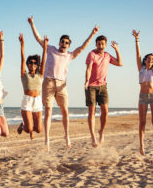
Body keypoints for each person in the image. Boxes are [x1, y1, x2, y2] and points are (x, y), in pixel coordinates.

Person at [28, 15, 99, 150]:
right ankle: (47, 140)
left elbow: (83, 47)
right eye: (62, 41)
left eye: (66, 42)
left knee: (65, 111)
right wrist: (32, 24)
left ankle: (66, 136)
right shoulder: (51, 49)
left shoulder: (70, 55)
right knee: (48, 111)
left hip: (62, 85)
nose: (64, 44)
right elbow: (38, 39)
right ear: (59, 42)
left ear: (69, 45)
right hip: (48, 82)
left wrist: (93, 33)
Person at [85, 35, 123, 147]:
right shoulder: (91, 54)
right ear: (96, 44)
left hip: (103, 86)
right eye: (99, 44)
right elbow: (89, 68)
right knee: (91, 111)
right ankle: (93, 137)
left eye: (102, 44)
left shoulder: (107, 56)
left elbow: (120, 63)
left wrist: (117, 50)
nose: (100, 46)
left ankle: (101, 132)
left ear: (105, 45)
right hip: (91, 86)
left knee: (105, 111)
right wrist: (87, 81)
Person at [132, 30, 153, 155]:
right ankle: (141, 146)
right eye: (148, 59)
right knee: (142, 122)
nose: (150, 60)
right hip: (142, 97)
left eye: (152, 59)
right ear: (145, 60)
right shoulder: (141, 69)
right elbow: (138, 54)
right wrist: (137, 39)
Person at [17, 33, 48, 139]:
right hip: (27, 101)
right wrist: (22, 45)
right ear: (27, 64)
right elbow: (22, 59)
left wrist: (45, 47)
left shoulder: (40, 75)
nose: (32, 64)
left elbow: (44, 61)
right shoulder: (24, 75)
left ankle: (30, 128)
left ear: (37, 65)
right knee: (29, 128)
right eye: (30, 62)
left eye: (35, 63)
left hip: (38, 101)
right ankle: (23, 126)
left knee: (39, 129)